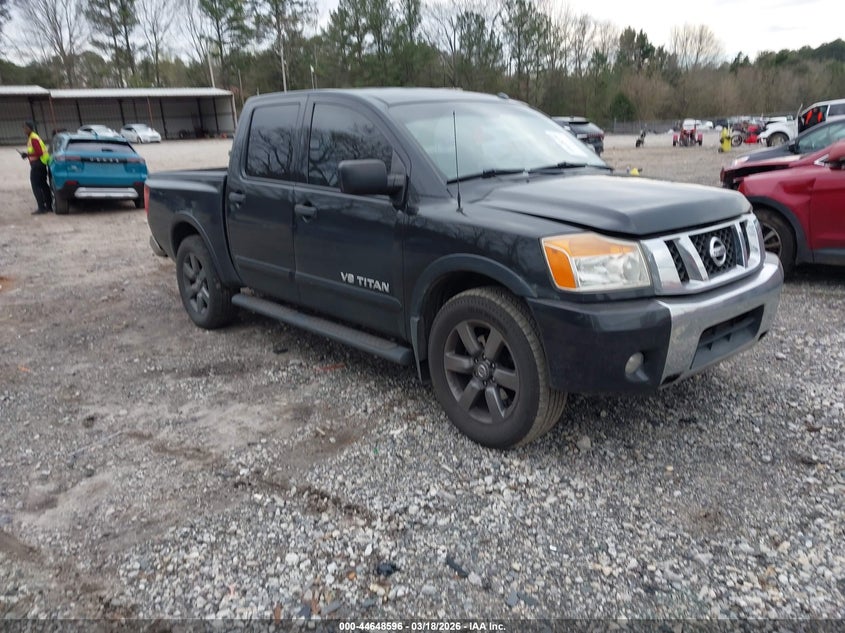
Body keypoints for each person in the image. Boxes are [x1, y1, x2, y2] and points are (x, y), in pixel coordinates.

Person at [21, 120, 52, 214]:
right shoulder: (33, 137)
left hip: (38, 164)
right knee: (43, 185)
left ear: (29, 128)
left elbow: (39, 152)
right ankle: (49, 206)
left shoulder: (33, 138)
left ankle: (41, 208)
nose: (24, 130)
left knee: (36, 186)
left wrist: (27, 155)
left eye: (25, 128)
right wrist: (27, 155)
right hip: (42, 163)